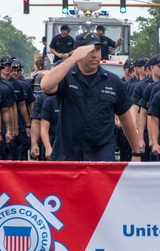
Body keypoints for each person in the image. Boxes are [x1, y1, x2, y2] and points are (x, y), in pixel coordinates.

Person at [40, 32, 142, 161]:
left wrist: (136, 153)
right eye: (89, 50)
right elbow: (46, 86)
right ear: (78, 52)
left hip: (101, 156)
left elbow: (126, 119)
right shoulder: (66, 77)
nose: (95, 55)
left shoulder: (113, 81)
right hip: (68, 155)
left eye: (98, 49)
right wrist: (72, 58)